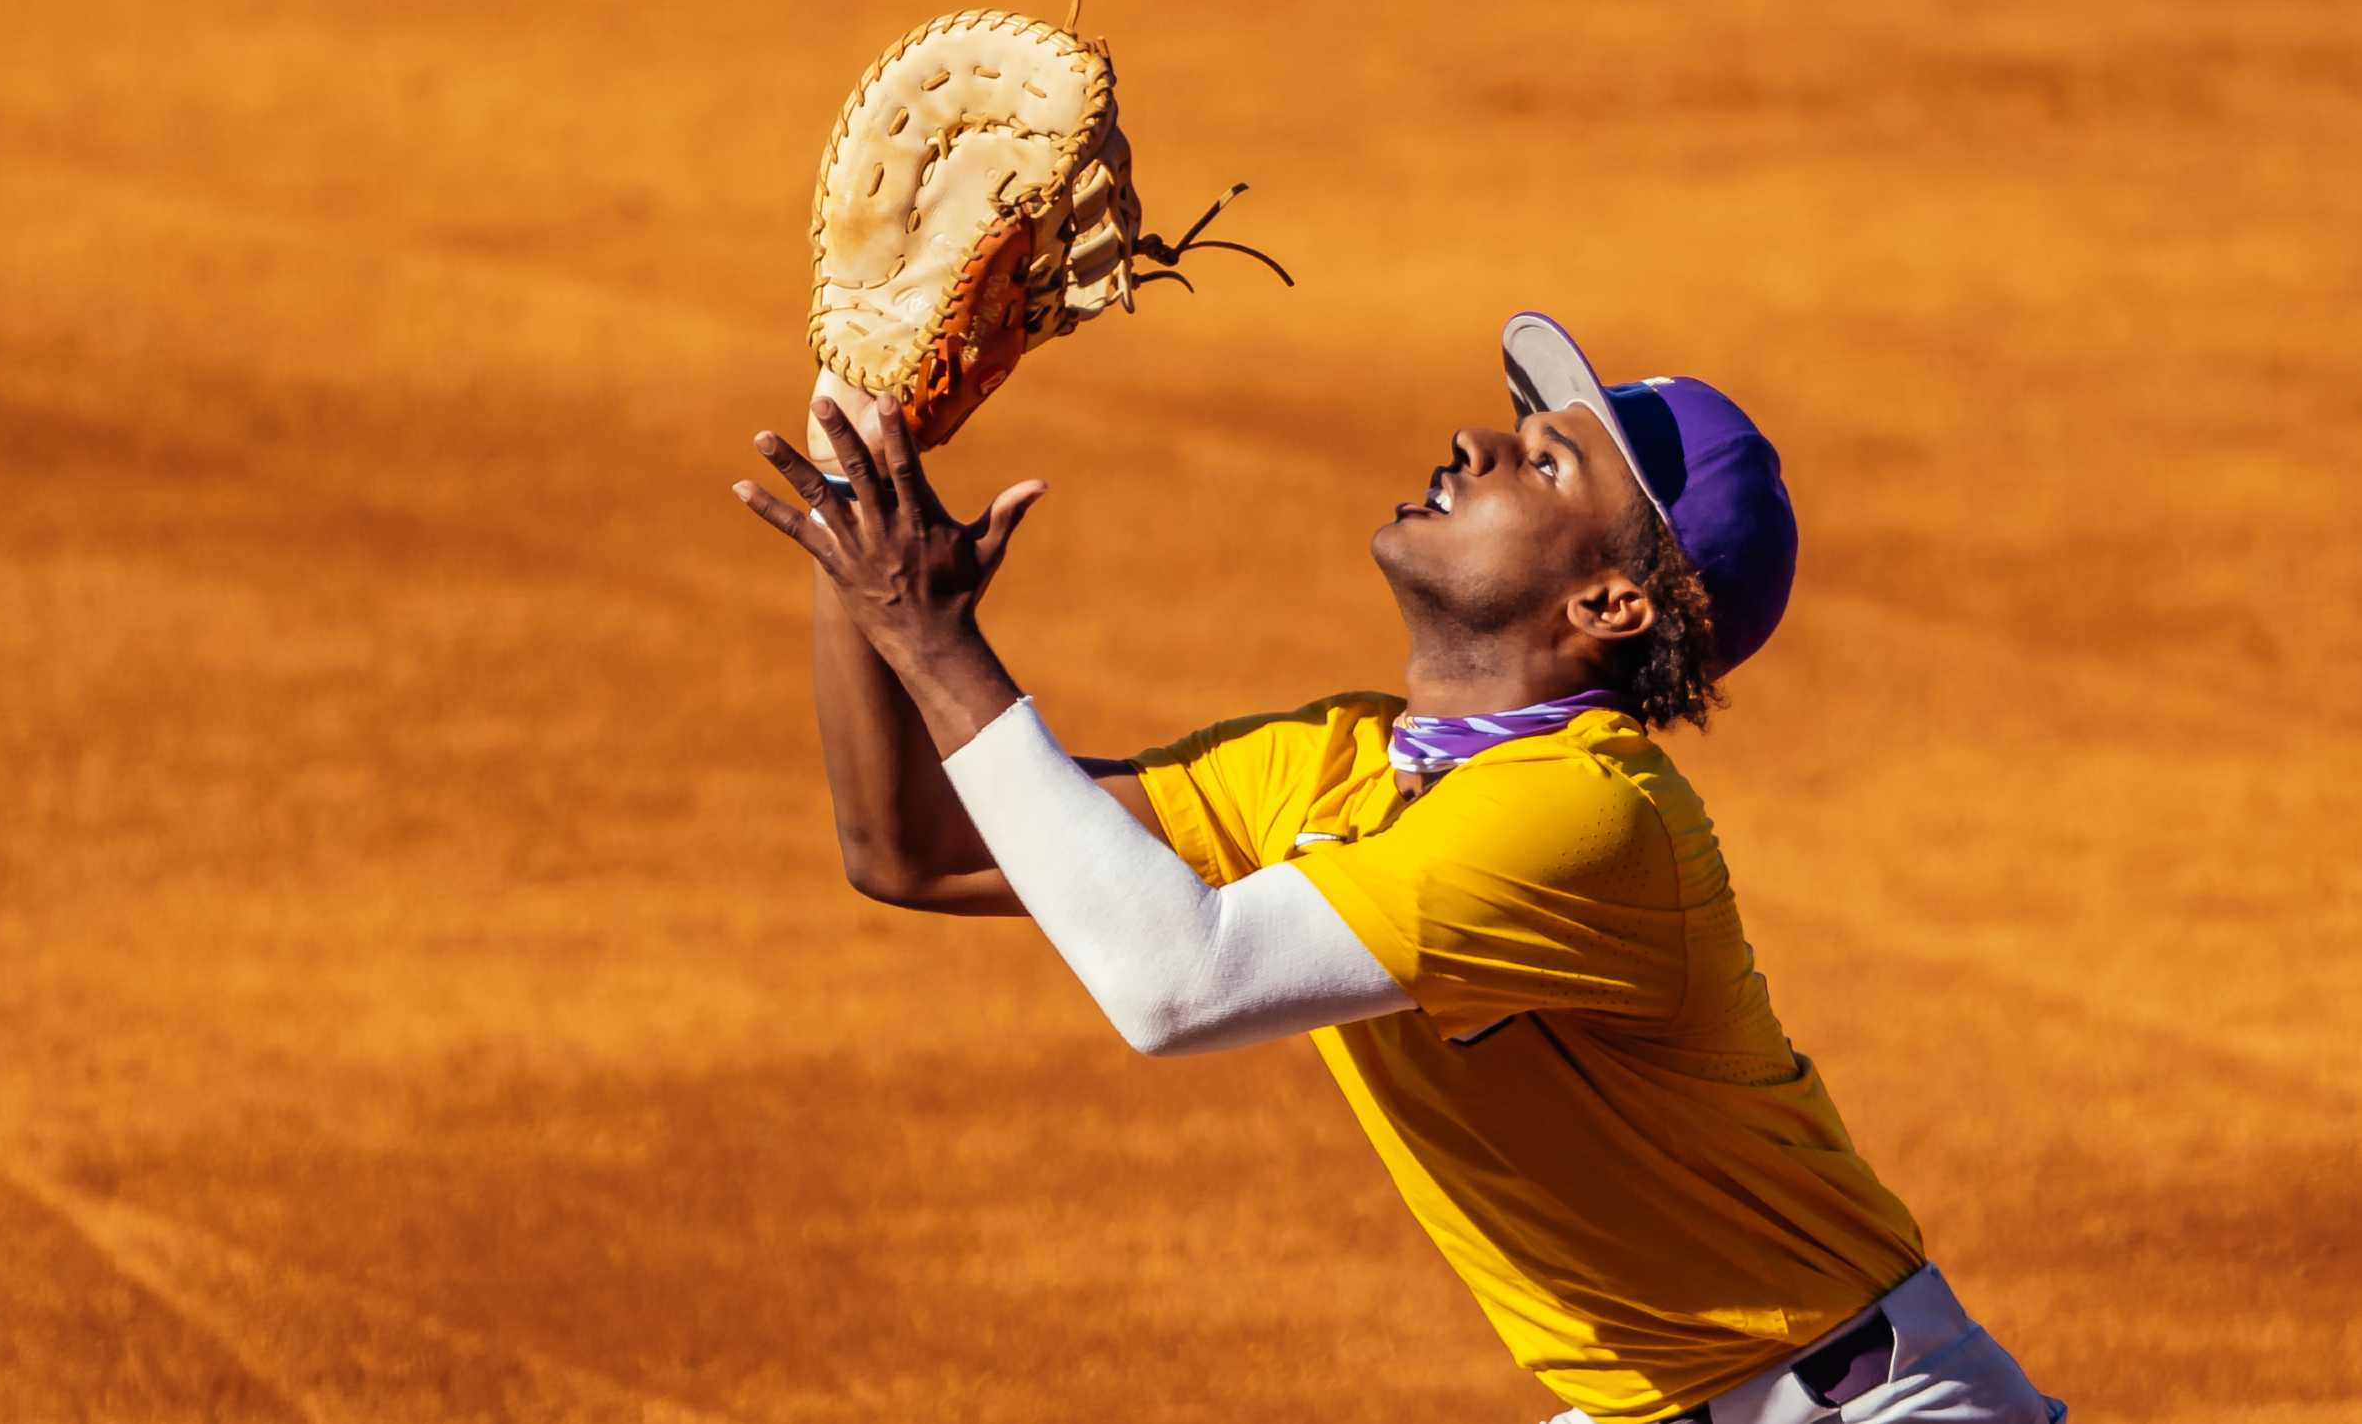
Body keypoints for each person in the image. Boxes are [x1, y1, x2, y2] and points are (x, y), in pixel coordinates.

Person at [731, 313, 2067, 1424]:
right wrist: (862, 523)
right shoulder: (1331, 762)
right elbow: (913, 846)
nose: (1473, 442)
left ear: (1608, 604)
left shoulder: (1589, 818)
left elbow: (1173, 983)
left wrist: (934, 639)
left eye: (1542, 466)